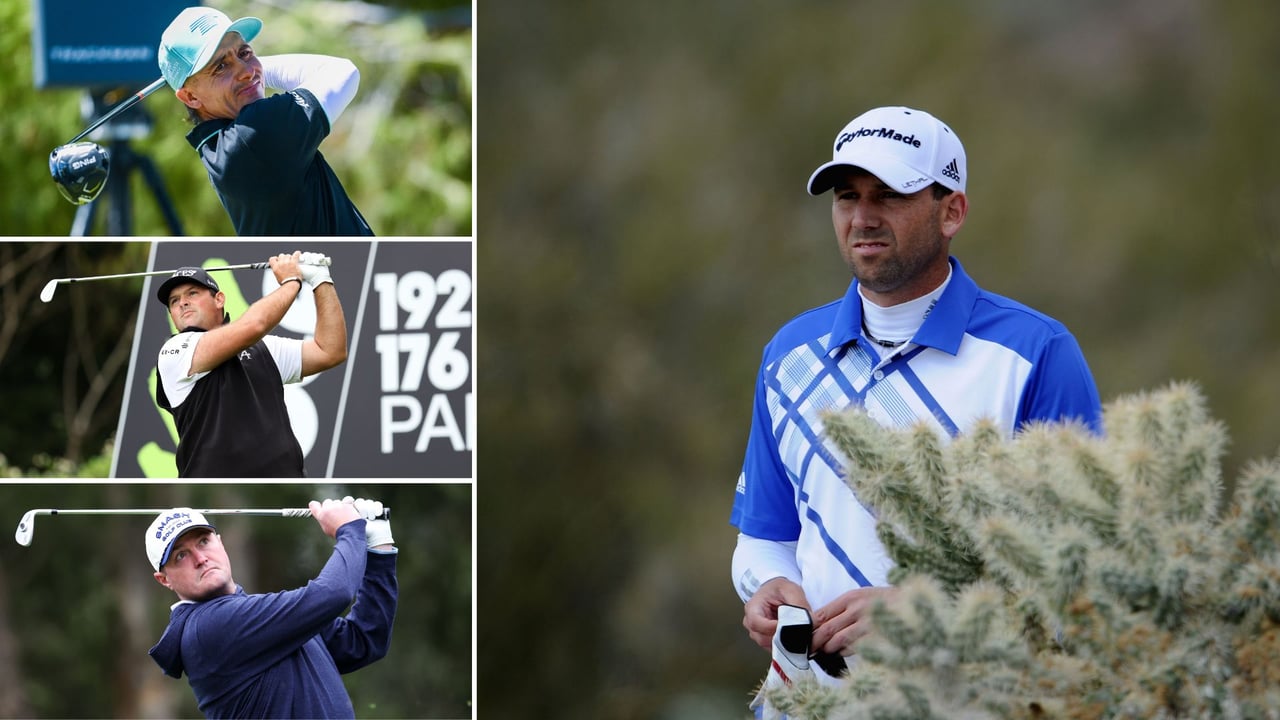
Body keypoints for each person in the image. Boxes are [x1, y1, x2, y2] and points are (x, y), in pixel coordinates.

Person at [729, 106, 1103, 695]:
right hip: (804, 705)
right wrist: (768, 585)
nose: (863, 217)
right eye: (847, 196)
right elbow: (764, 534)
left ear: (951, 210)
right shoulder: (789, 352)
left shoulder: (1036, 353)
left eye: (890, 196)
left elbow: (1082, 568)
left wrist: (925, 617)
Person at [147, 497, 397, 718]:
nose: (200, 559)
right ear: (164, 579)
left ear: (220, 543)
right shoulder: (207, 628)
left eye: (203, 542)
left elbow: (363, 640)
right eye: (181, 555)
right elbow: (334, 593)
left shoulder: (262, 618)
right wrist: (349, 529)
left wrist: (379, 548)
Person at [157, 6, 374, 235]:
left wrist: (252, 71)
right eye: (220, 66)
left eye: (244, 53)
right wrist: (254, 71)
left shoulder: (218, 147)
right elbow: (343, 71)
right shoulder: (255, 132)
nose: (245, 70)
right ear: (190, 97)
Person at [154, 251, 346, 477]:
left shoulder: (263, 348)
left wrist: (321, 280)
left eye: (192, 293)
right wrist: (291, 281)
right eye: (174, 301)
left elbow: (330, 351)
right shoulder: (175, 352)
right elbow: (253, 326)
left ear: (219, 299)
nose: (182, 302)